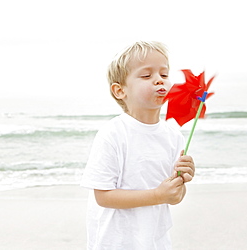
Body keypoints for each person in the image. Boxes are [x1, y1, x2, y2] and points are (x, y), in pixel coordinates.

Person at [80, 41, 195, 250]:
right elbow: (103, 197)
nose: (159, 80)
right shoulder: (113, 134)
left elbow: (173, 198)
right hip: (115, 241)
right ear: (120, 90)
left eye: (164, 74)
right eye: (146, 75)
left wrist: (180, 183)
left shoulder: (173, 136)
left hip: (155, 239)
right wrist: (157, 195)